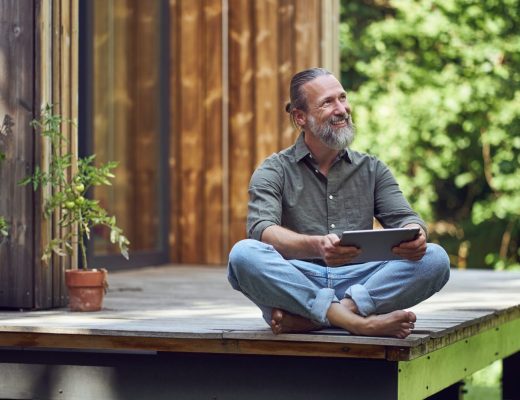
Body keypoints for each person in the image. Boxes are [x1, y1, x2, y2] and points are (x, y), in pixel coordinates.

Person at [227, 67, 450, 339]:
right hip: (298, 279)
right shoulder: (273, 170)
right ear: (301, 117)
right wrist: (317, 246)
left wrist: (417, 234)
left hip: (362, 282)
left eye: (342, 98)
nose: (341, 109)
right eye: (327, 102)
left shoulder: (372, 169)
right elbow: (262, 230)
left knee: (435, 258)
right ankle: (359, 323)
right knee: (243, 255)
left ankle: (323, 317)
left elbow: (406, 218)